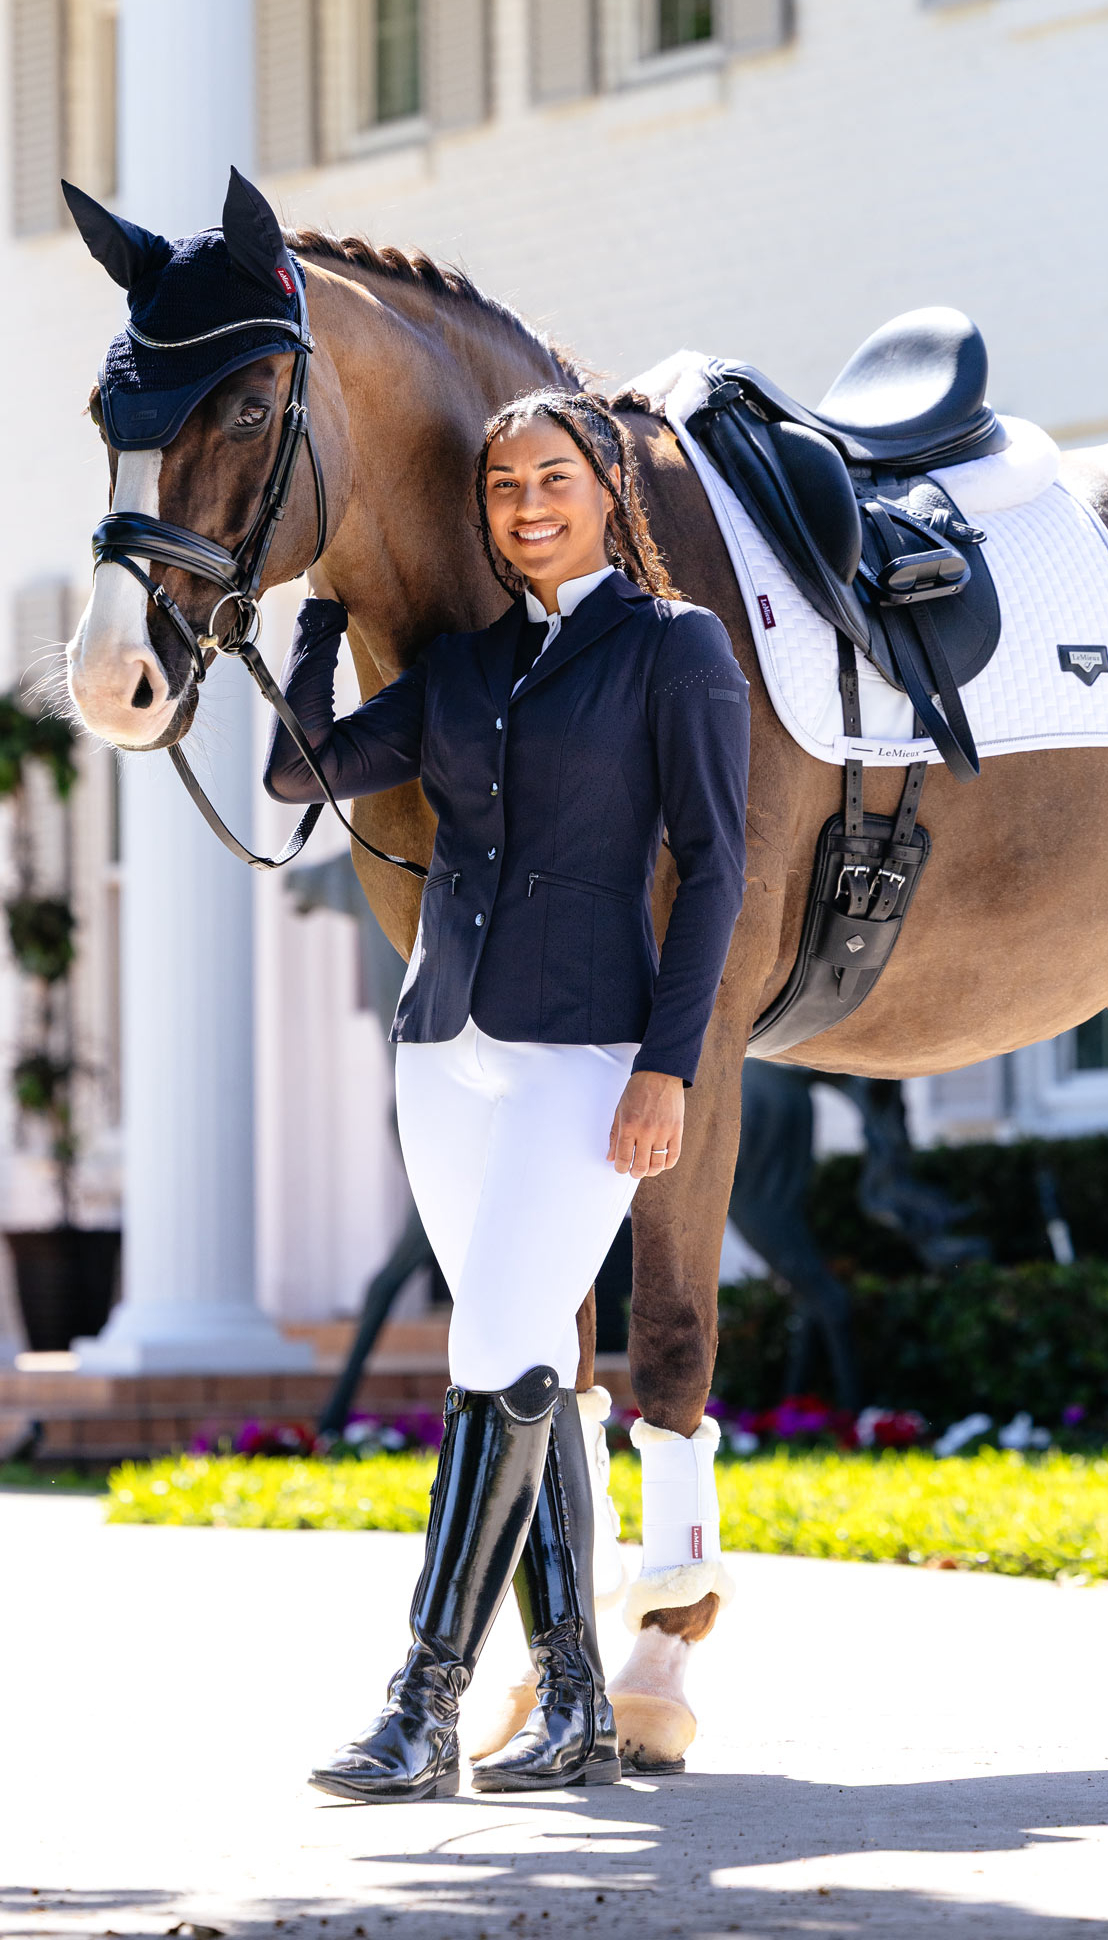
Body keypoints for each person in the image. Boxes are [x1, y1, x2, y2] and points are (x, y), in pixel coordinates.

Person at [263, 387, 750, 1803]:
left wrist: (668, 1063)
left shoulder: (677, 650)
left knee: (490, 1353)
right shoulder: (467, 669)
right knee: (528, 1362)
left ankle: (421, 1704)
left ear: (607, 485)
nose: (524, 505)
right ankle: (584, 1709)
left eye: (551, 477)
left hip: (588, 1053)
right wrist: (304, 641)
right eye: (499, 488)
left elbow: (716, 869)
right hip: (442, 1047)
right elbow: (306, 771)